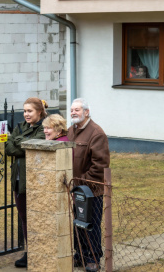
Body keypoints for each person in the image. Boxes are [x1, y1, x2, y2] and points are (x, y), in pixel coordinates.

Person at [67, 98, 110, 272]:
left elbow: (100, 166)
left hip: (90, 190)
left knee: (90, 225)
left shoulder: (96, 133)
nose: (73, 113)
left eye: (77, 110)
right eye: (71, 110)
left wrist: (82, 184)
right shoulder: (71, 131)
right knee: (78, 223)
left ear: (87, 112)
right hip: (74, 188)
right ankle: (80, 255)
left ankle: (93, 259)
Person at [5, 97, 48, 268]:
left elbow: (34, 145)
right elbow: (9, 148)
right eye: (24, 111)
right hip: (18, 180)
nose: (26, 114)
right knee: (24, 217)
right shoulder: (20, 127)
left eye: (30, 111)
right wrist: (20, 143)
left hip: (34, 179)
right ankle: (30, 251)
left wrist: (18, 142)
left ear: (39, 111)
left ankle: (42, 250)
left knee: (39, 216)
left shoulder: (43, 127)